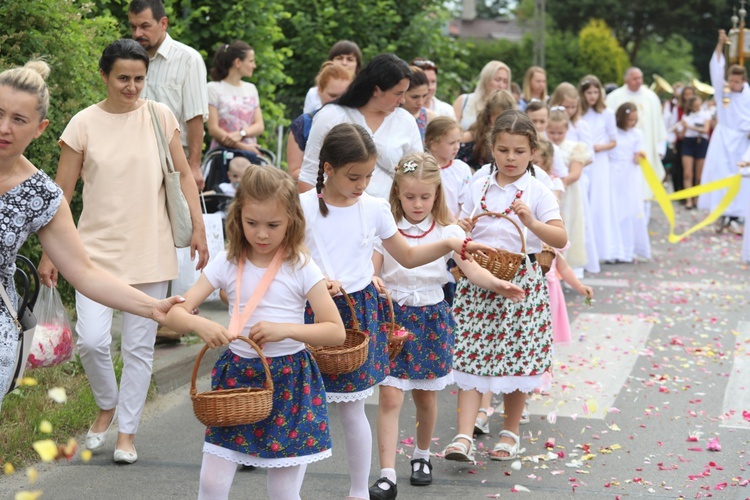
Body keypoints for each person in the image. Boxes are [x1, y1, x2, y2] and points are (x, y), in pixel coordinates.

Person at [36, 39, 209, 464]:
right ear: (105, 76)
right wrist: (50, 251)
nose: (132, 87)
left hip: (150, 247)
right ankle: (106, 404)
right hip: (92, 252)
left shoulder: (159, 115)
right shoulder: (83, 123)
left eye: (139, 78)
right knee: (91, 341)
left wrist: (200, 227)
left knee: (139, 348)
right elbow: (63, 192)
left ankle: (127, 434)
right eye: (123, 78)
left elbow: (184, 174)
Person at [300, 123, 494, 499]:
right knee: (305, 404)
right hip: (311, 311)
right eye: (354, 176)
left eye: (369, 175)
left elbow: (405, 255)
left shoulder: (373, 208)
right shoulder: (304, 204)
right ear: (327, 169)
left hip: (358, 316)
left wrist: (449, 243)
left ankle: (361, 490)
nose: (362, 184)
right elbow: (293, 252)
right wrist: (317, 277)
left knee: (356, 408)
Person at [0, 60, 183, 411]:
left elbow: (84, 272)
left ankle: (119, 421)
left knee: (120, 345)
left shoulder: (40, 194)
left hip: (1, 329)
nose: (4, 128)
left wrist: (152, 308)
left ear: (40, 129)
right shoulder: (83, 125)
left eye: (18, 120)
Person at [163, 165, 345, 500]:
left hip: (291, 381)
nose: (261, 234)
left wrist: (285, 330)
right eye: (252, 223)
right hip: (238, 380)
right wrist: (199, 324)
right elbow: (173, 312)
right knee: (212, 483)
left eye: (273, 225)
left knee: (283, 492)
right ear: (238, 216)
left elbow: (336, 332)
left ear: (291, 220)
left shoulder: (302, 266)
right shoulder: (227, 262)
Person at [368, 153, 524, 500]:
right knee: (391, 395)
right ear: (397, 193)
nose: (418, 203)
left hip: (431, 317)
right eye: (410, 196)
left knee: (425, 396)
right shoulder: (386, 227)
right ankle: (387, 473)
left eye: (426, 196)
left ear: (437, 194)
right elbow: (373, 268)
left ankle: (421, 456)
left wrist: (497, 284)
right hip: (393, 317)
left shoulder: (448, 231)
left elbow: (469, 268)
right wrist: (373, 281)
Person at [444, 110, 566, 463]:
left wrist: (531, 221)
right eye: (503, 150)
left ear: (531, 152)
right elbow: (456, 229)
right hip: (478, 279)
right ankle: (463, 436)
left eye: (518, 151)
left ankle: (510, 430)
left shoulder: (538, 191)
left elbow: (559, 236)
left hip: (520, 282)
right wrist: (461, 225)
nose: (510, 158)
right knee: (471, 357)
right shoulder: (478, 184)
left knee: (517, 358)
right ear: (491, 149)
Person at [298, 54, 423, 200]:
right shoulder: (332, 116)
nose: (402, 100)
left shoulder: (405, 121)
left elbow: (418, 171)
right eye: (398, 93)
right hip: (337, 212)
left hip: (390, 215)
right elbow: (309, 175)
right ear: (376, 90)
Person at [128, 0, 208, 190]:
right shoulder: (128, 59)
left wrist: (194, 167)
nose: (138, 33)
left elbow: (195, 117)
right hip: (133, 158)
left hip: (174, 162)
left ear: (163, 23)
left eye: (145, 26)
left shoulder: (189, 59)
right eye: (133, 27)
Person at [699, 30, 750, 235]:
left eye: (737, 81)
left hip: (742, 141)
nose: (733, 84)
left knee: (741, 178)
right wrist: (720, 44)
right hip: (723, 140)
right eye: (731, 80)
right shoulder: (723, 91)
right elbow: (716, 68)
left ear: (744, 81)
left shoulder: (749, 95)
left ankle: (737, 215)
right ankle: (720, 215)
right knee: (720, 177)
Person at [605, 67, 668, 218]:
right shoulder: (614, 97)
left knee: (644, 186)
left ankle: (642, 217)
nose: (638, 81)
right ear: (626, 80)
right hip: (620, 152)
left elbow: (658, 123)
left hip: (645, 149)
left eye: (640, 78)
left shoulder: (651, 97)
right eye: (634, 78)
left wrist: (659, 148)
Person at [579, 75, 622, 263]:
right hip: (583, 159)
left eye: (596, 92)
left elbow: (613, 141)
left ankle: (603, 248)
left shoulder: (607, 113)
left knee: (599, 202)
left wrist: (598, 147)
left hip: (600, 161)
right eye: (589, 92)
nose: (592, 96)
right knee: (584, 201)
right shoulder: (579, 113)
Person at [287, 62, 353, 180]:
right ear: (319, 90)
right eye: (332, 96)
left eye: (344, 96)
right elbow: (294, 171)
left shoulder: (358, 120)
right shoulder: (303, 124)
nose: (338, 101)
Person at [545, 109, 591, 273]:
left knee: (568, 225)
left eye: (560, 133)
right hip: (547, 192)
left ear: (567, 130)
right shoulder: (543, 144)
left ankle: (567, 268)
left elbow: (575, 173)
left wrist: (556, 184)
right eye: (552, 132)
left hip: (568, 193)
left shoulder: (575, 147)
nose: (556, 136)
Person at [206, 41, 264, 155]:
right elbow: (213, 129)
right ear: (238, 62)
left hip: (251, 152)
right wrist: (242, 147)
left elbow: (259, 125)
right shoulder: (213, 88)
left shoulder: (251, 89)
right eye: (251, 61)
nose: (254, 65)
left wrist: (241, 133)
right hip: (222, 154)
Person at [611, 103, 651, 262]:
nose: (632, 123)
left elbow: (637, 154)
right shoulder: (614, 133)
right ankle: (614, 249)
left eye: (635, 119)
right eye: (630, 119)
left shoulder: (637, 134)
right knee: (615, 210)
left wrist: (639, 156)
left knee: (629, 211)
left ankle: (628, 249)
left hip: (630, 175)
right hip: (613, 174)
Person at [456, 89, 516, 171]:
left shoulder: (517, 135)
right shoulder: (474, 134)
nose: (501, 121)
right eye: (497, 117)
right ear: (488, 115)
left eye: (504, 117)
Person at [424, 117, 472, 219]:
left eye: (458, 141)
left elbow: (466, 202)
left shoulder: (462, 169)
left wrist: (455, 224)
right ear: (434, 145)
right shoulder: (423, 170)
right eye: (451, 143)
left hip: (456, 225)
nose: (457, 147)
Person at [545, 249, 594, 345]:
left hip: (550, 291)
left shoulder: (553, 240)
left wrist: (578, 286)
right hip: (528, 289)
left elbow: (563, 268)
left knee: (548, 326)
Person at [303, 40, 362, 114]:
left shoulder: (363, 94)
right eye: (339, 58)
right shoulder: (313, 93)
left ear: (357, 65)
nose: (344, 63)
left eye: (350, 59)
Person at [453, 61, 512, 131]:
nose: (501, 85)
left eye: (505, 82)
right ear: (486, 79)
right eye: (497, 80)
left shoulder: (509, 108)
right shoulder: (463, 100)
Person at [679, 96, 710, 209]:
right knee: (688, 173)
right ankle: (689, 199)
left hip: (701, 142)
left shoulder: (705, 114)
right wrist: (682, 128)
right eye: (695, 106)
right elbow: (682, 134)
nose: (698, 108)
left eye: (699, 105)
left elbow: (705, 130)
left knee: (699, 175)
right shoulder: (686, 116)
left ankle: (697, 198)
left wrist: (690, 127)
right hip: (689, 143)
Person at [402, 66, 436, 143]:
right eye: (415, 97)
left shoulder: (430, 118)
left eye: (424, 96)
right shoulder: (388, 117)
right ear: (401, 93)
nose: (420, 102)